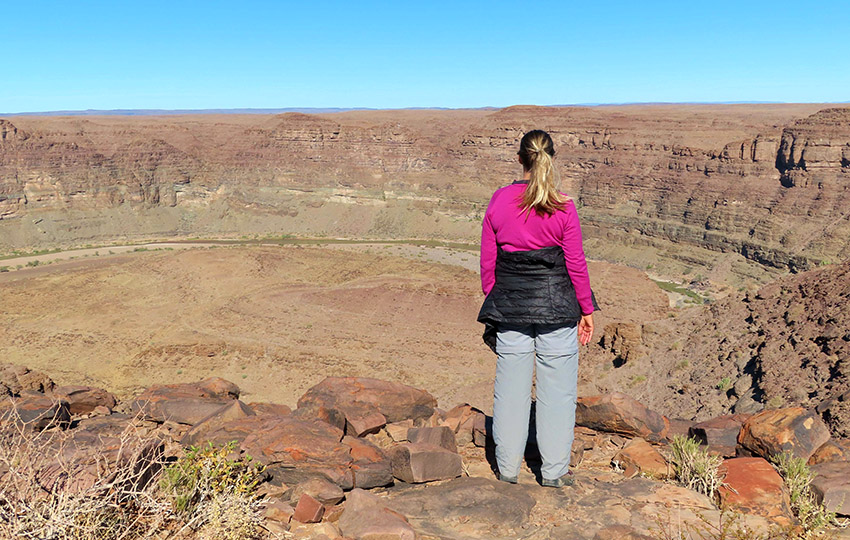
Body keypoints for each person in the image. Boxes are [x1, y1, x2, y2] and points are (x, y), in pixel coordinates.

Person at [477, 129, 597, 487]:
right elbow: (576, 263)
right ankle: (554, 472)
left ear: (520, 159)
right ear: (551, 159)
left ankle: (508, 470)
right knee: (557, 392)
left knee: (510, 390)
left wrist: (496, 299)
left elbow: (488, 261)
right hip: (557, 309)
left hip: (510, 309)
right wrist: (586, 309)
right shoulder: (564, 207)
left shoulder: (499, 201)